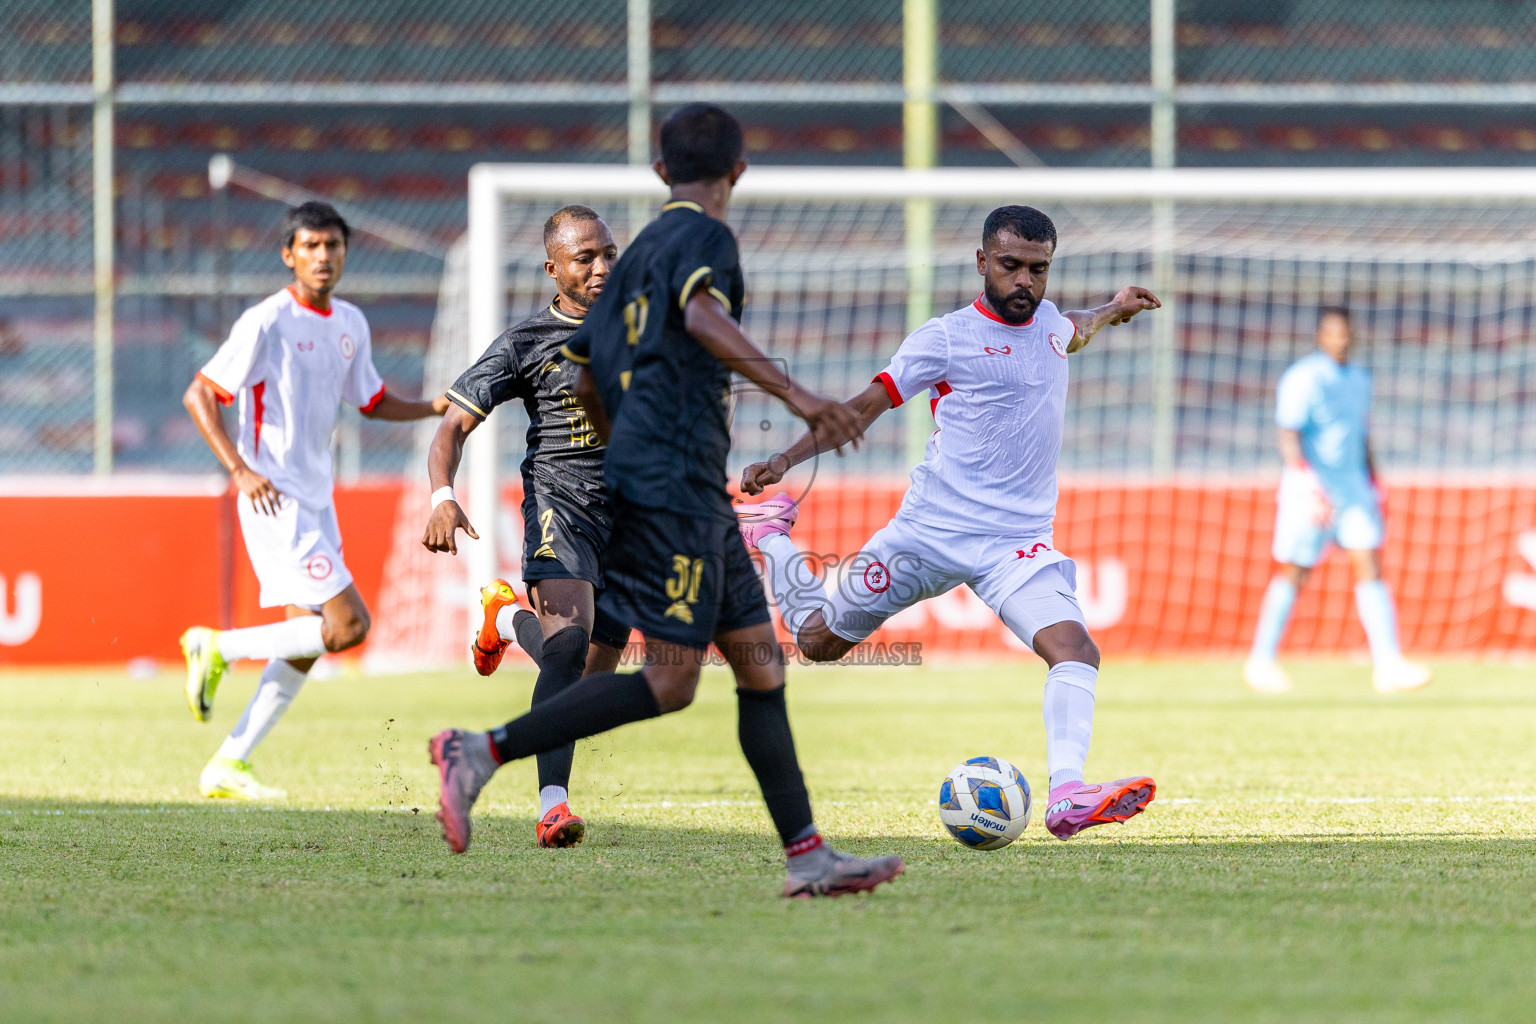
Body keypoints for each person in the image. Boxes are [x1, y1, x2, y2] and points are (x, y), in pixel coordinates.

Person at [427, 103, 904, 898]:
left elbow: (585, 375)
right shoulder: (704, 241)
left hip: (684, 492)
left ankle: (807, 855)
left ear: (659, 173)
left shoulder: (637, 253)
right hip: (676, 495)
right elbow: (699, 313)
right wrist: (799, 397)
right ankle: (480, 751)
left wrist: (628, 455)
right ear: (740, 170)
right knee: (671, 681)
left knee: (758, 666)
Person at [737, 204, 1159, 841]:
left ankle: (1067, 794)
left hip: (1016, 545)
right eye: (1011, 266)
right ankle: (769, 533)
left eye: (1038, 270)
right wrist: (784, 460)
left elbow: (1073, 328)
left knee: (1075, 650)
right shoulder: (945, 338)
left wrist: (1112, 309)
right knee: (817, 644)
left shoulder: (1046, 321)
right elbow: (863, 408)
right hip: (927, 535)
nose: (1025, 282)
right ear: (982, 262)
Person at [180, 201, 448, 800]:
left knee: (307, 643)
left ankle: (229, 761)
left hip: (316, 499)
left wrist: (432, 407)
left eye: (332, 246)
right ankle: (215, 646)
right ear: (289, 254)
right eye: (310, 246)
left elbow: (372, 399)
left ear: (345, 253)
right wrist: (240, 471)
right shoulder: (266, 321)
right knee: (349, 624)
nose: (322, 257)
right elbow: (199, 394)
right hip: (274, 498)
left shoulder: (350, 321)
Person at [422, 204, 629, 848]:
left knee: (591, 683)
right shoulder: (525, 343)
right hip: (559, 507)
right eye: (584, 258)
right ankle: (552, 806)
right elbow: (452, 427)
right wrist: (441, 495)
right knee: (567, 650)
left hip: (634, 515)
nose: (601, 267)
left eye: (608, 254)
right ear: (552, 269)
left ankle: (507, 620)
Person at [1243, 306, 1432, 695]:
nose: (1341, 341)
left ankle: (1388, 664)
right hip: (1311, 490)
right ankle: (1261, 660)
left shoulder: (1360, 378)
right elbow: (1288, 435)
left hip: (1354, 489)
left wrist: (1376, 482)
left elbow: (1362, 435)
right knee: (1296, 570)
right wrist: (1308, 485)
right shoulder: (1303, 378)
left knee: (1370, 565)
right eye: (1333, 333)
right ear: (1321, 336)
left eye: (1346, 334)